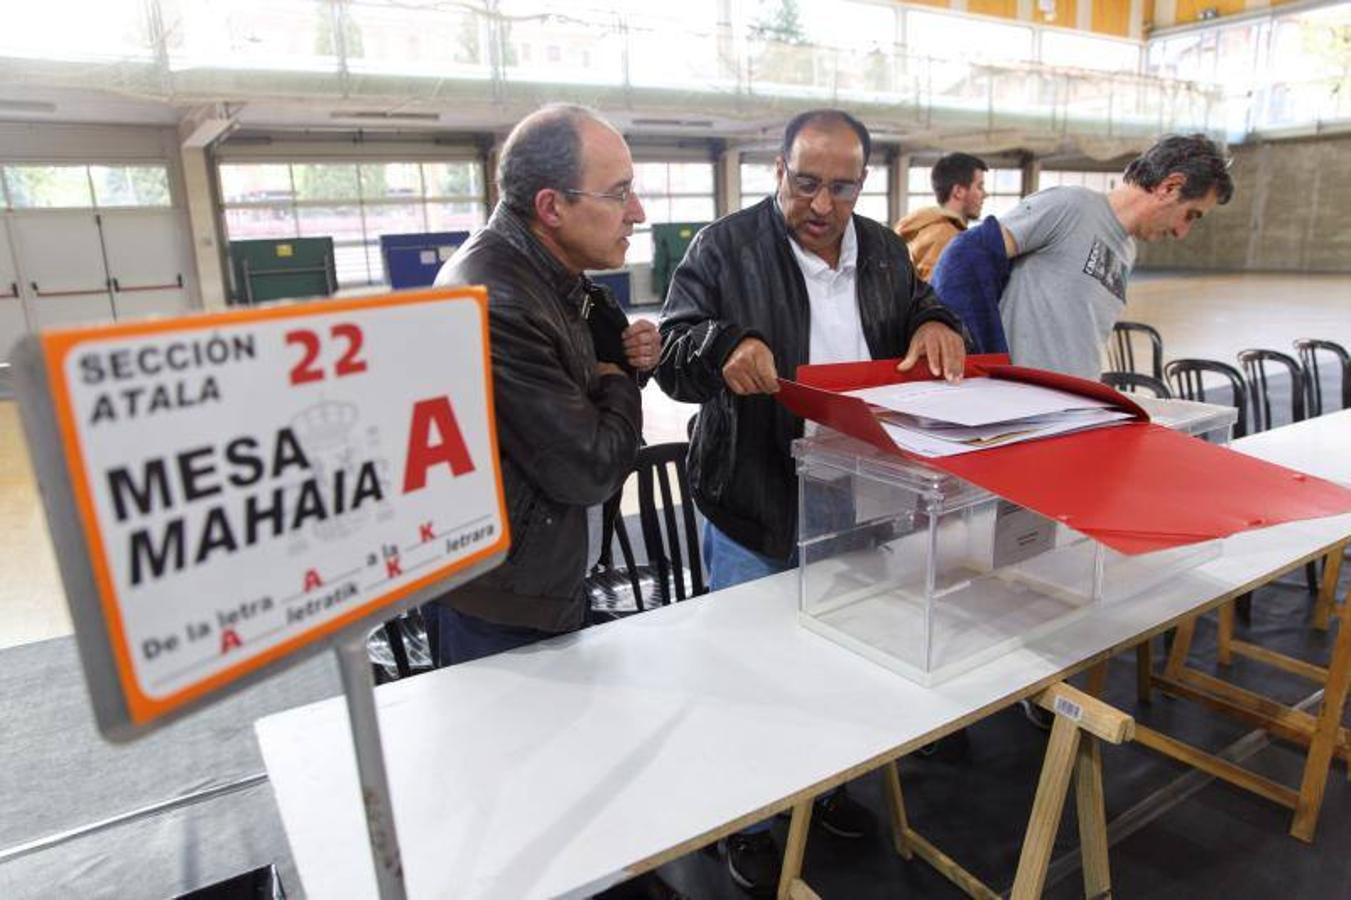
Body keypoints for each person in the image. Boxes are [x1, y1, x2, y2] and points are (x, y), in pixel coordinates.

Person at [656, 108, 966, 896]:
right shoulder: (724, 246)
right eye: (804, 183)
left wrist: (935, 323)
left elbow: (920, 303)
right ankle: (750, 822)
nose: (821, 205)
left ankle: (822, 788)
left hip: (858, 499)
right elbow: (673, 350)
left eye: (839, 187)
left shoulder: (885, 249)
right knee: (750, 672)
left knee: (837, 660)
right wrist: (721, 345)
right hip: (753, 496)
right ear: (776, 172)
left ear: (862, 184)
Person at [425, 104, 660, 667]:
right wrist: (619, 382)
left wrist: (624, 362)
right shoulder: (497, 299)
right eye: (619, 192)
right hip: (501, 609)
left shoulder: (553, 279)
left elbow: (583, 389)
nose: (638, 212)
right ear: (551, 206)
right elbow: (589, 468)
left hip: (537, 582)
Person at [997, 133, 1233, 380]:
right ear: (1170, 187)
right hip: (1024, 399)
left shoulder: (1127, 250)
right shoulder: (1068, 206)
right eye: (1190, 215)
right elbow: (968, 251)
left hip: (1073, 404)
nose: (1181, 233)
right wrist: (951, 325)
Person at [893, 152, 988, 281]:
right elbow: (937, 296)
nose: (985, 194)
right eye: (980, 186)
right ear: (958, 191)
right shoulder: (946, 236)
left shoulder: (925, 227)